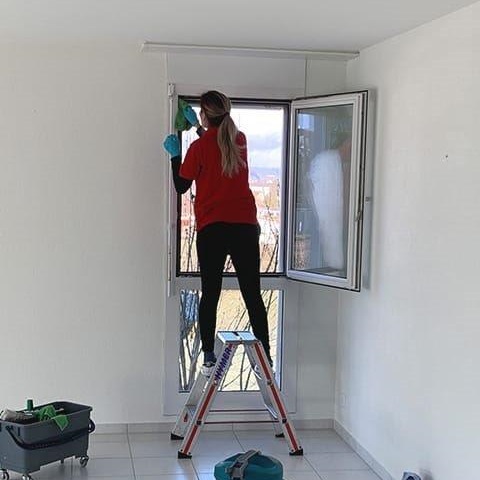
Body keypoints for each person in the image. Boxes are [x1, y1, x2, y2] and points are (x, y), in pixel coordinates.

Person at [163, 90, 272, 376]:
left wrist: (175, 155)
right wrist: (199, 129)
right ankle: (266, 357)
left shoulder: (198, 149)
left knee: (210, 293)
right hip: (245, 227)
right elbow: (217, 143)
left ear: (203, 115)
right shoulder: (240, 140)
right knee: (252, 293)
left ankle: (209, 356)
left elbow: (181, 186)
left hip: (213, 229)